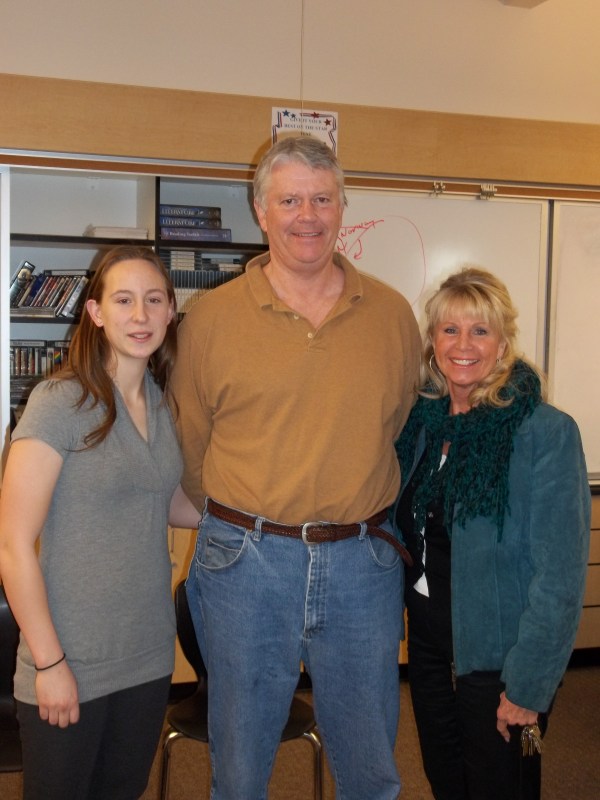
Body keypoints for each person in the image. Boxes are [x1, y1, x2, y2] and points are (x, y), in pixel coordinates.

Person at [170, 136, 421, 800]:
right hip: (245, 564)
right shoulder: (210, 318)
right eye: (289, 201)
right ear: (261, 210)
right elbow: (191, 443)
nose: (306, 216)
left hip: (362, 563)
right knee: (240, 769)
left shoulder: (393, 315)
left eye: (321, 199)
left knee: (371, 769)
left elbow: (394, 424)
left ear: (342, 208)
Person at [0, 245, 200, 800]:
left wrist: (260, 504)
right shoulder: (59, 401)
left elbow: (167, 503)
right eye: (124, 300)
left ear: (170, 311)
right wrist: (49, 664)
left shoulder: (161, 403)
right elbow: (12, 545)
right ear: (96, 312)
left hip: (148, 653)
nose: (140, 315)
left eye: (153, 300)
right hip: (71, 656)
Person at [393, 267, 591, 800]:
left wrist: (529, 685)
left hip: (501, 665)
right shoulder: (421, 425)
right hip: (431, 653)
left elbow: (560, 577)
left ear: (503, 344)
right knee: (446, 784)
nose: (463, 345)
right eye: (450, 330)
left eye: (480, 330)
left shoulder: (544, 432)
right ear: (433, 342)